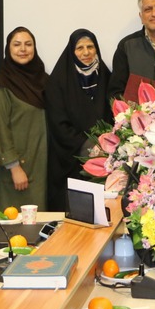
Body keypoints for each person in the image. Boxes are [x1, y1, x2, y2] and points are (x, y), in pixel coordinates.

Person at [45, 29, 112, 212]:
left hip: (104, 160)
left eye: (90, 47)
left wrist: (105, 146)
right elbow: (58, 123)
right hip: (69, 159)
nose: (86, 52)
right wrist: (88, 146)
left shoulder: (107, 77)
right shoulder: (58, 81)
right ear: (71, 51)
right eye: (80, 48)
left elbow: (113, 114)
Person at [0, 26, 48, 212]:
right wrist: (14, 167)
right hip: (16, 171)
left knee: (41, 222)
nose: (23, 49)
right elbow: (0, 130)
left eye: (28, 44)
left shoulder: (44, 81)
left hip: (41, 167)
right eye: (17, 44)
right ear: (8, 49)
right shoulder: (1, 85)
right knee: (15, 222)